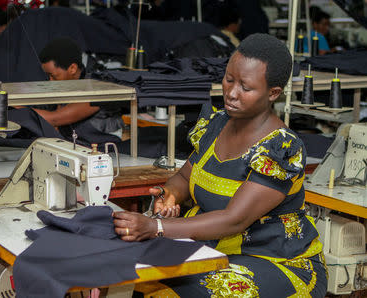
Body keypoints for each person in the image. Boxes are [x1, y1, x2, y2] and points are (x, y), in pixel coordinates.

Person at [113, 34, 327, 297]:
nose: (232, 93)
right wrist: (170, 195)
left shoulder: (281, 148)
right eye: (228, 79)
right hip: (213, 248)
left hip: (275, 260)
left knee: (203, 290)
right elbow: (183, 177)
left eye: (245, 88)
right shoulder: (215, 125)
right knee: (145, 280)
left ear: (273, 93)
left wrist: (156, 227)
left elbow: (233, 220)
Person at [32, 37, 124, 144]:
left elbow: (54, 119)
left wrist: (20, 110)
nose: (50, 81)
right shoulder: (66, 85)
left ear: (72, 68)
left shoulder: (97, 87)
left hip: (105, 149)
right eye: (48, 76)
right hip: (77, 145)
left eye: (53, 76)